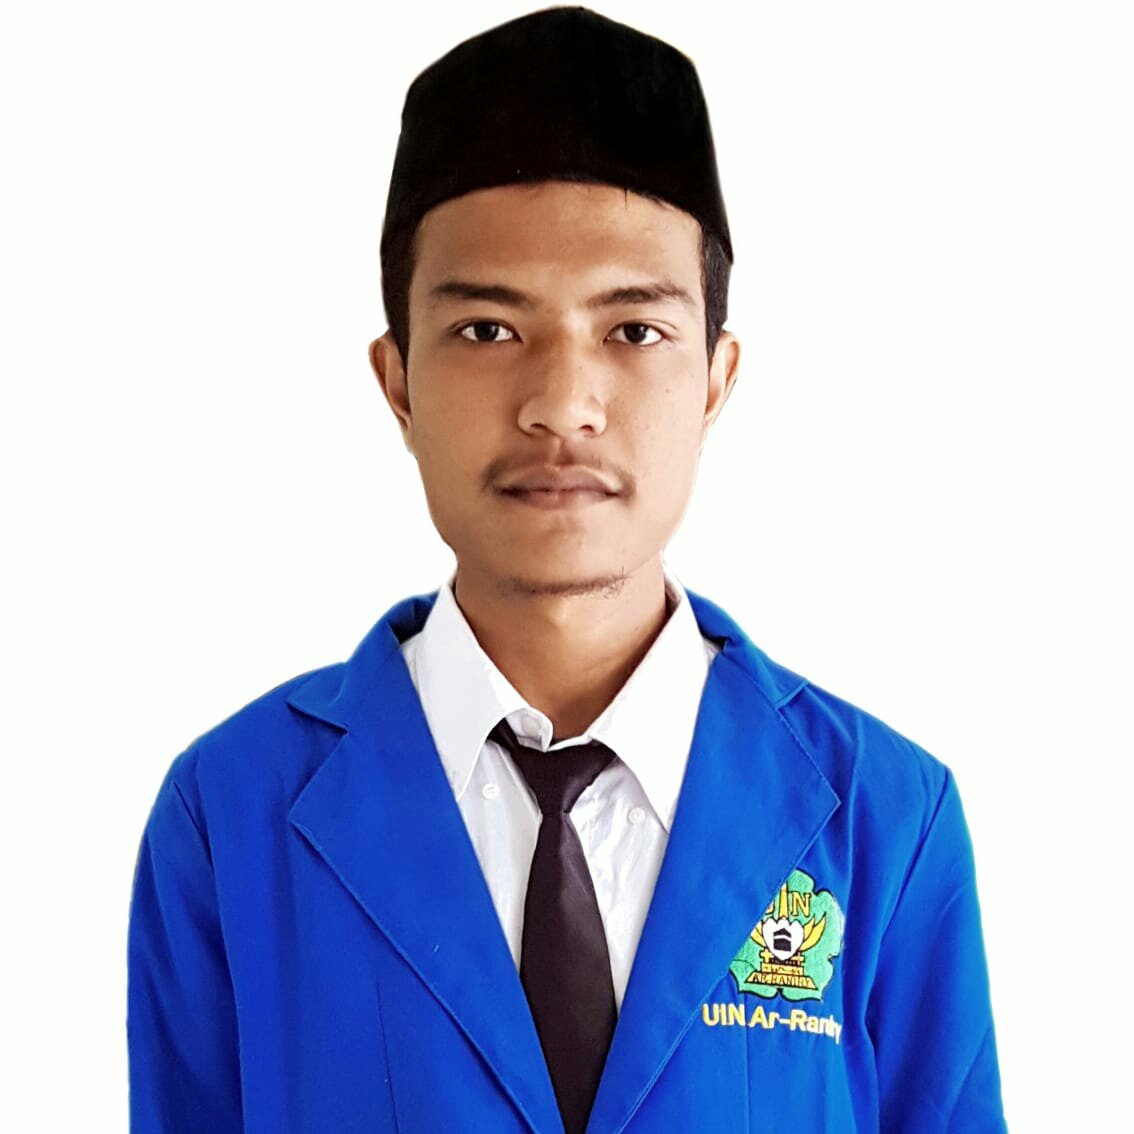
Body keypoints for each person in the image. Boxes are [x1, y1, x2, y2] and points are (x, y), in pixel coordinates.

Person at [126, 7, 1007, 1132]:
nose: (561, 406)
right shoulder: (231, 815)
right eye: (488, 331)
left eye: (633, 331)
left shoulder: (885, 819)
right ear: (398, 382)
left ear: (714, 379)